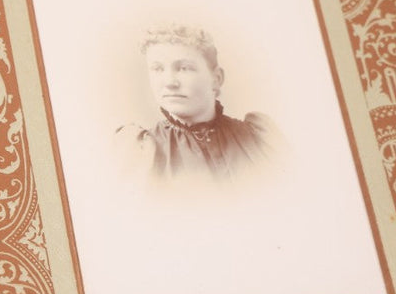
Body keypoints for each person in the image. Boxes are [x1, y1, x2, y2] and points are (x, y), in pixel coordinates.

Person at [116, 25, 279, 183]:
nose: (169, 83)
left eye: (184, 68)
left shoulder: (258, 138)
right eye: (157, 69)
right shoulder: (142, 153)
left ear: (216, 79)